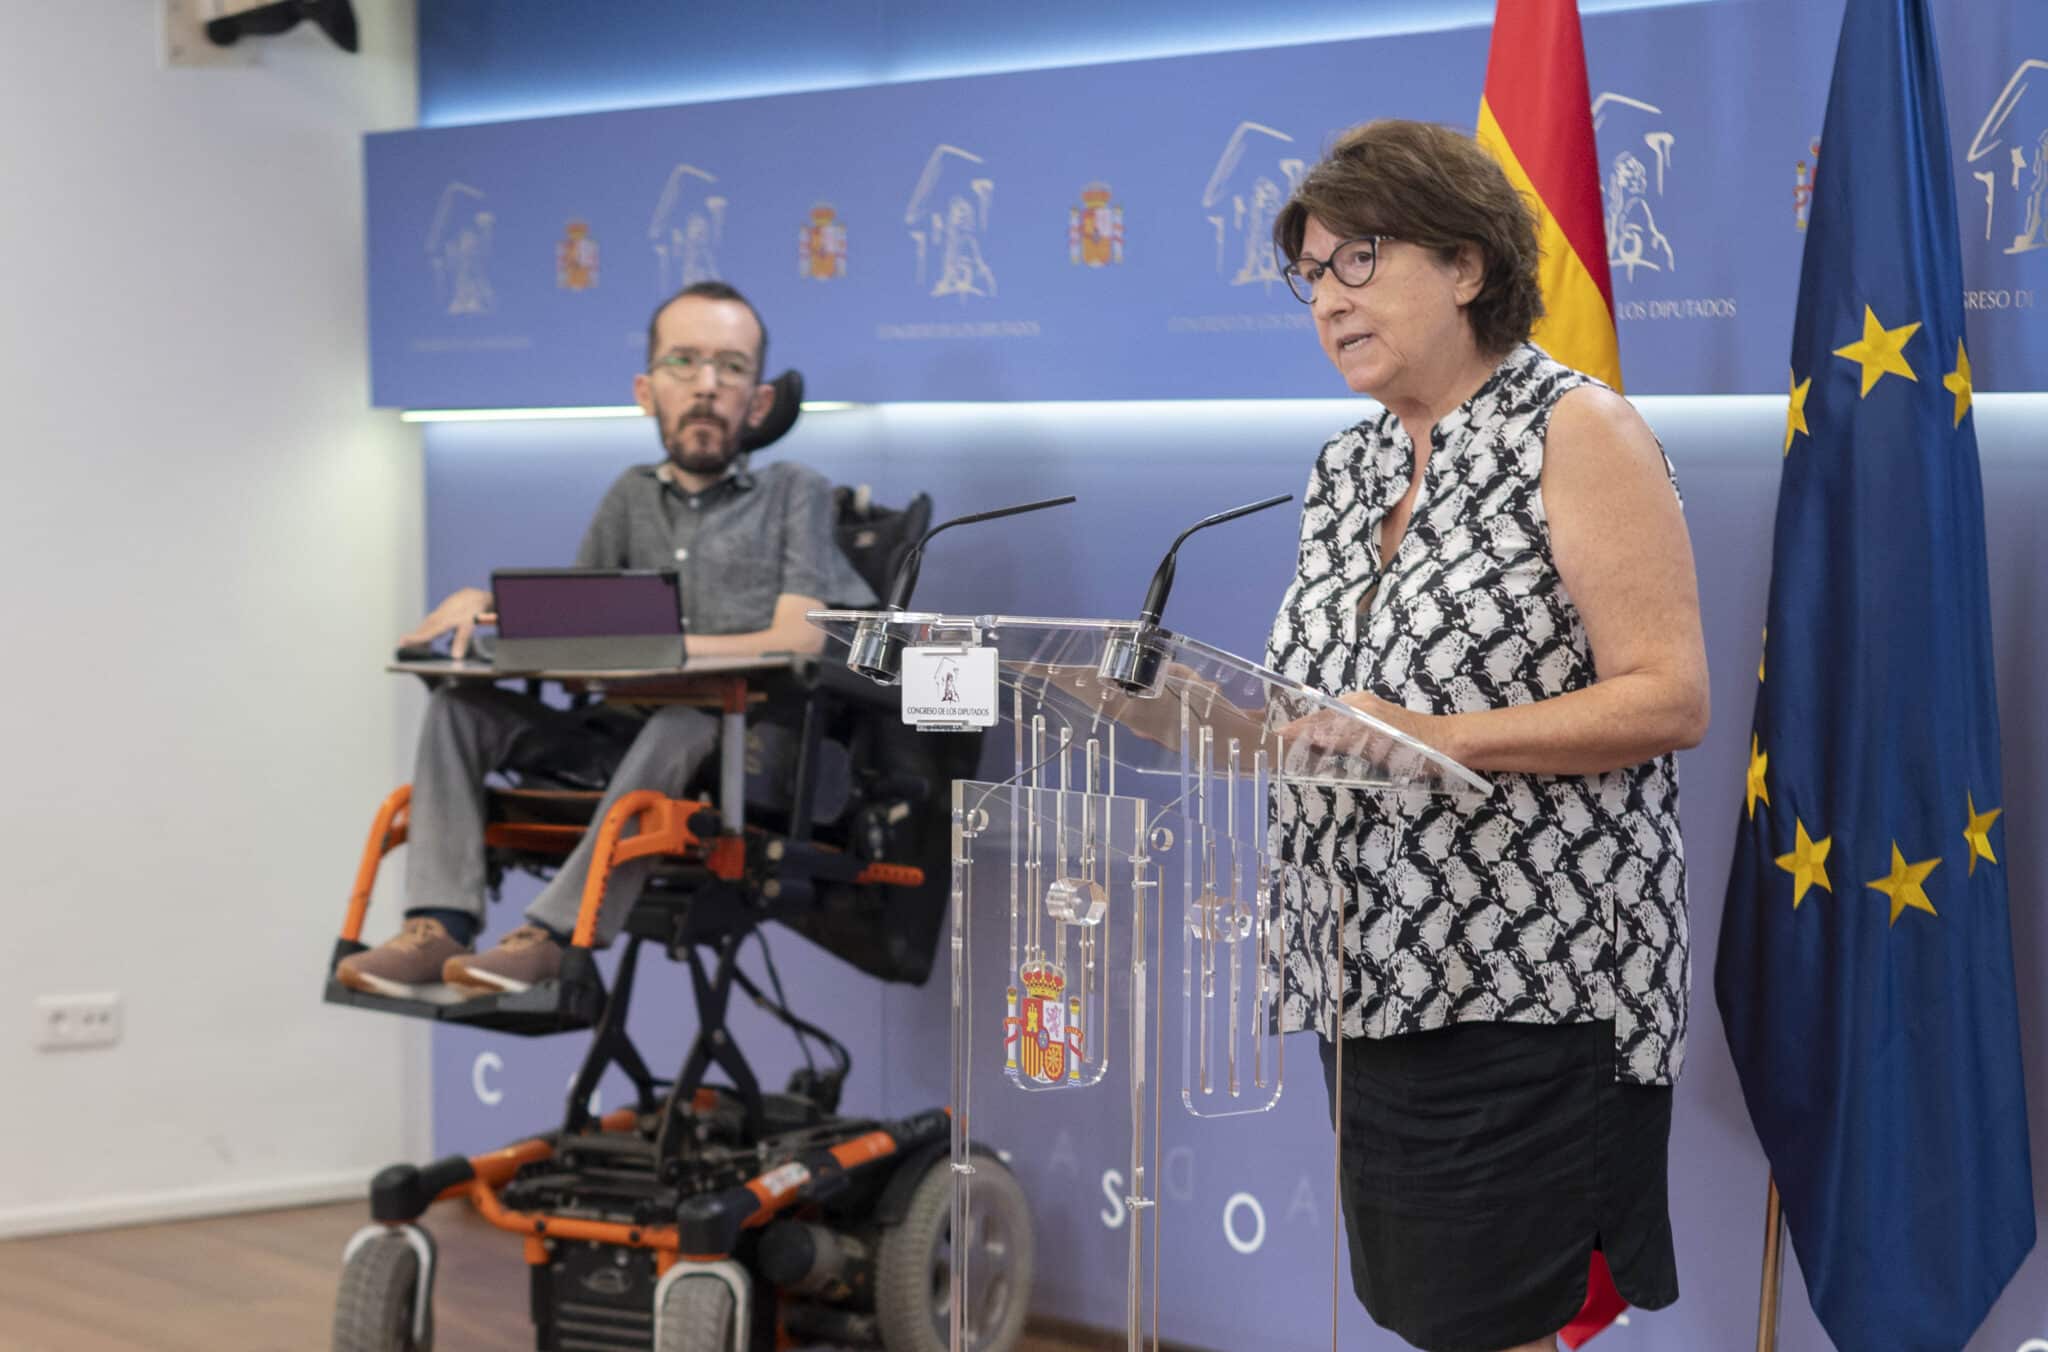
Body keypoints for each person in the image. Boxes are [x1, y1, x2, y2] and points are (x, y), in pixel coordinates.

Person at [1265, 121, 1710, 1352]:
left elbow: (1668, 695)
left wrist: (1443, 734)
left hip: (1528, 980)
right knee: (1427, 1314)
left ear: (1465, 265)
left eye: (1357, 259)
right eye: (1311, 274)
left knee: (1492, 1322)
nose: (1327, 299)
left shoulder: (1574, 430)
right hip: (1366, 973)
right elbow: (1342, 689)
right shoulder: (1345, 467)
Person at [338, 281, 875, 999]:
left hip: (747, 749)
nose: (707, 386)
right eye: (682, 363)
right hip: (621, 739)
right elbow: (578, 633)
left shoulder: (793, 491)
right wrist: (492, 610)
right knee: (459, 711)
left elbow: (798, 639)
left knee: (682, 724)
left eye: (732, 367)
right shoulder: (629, 496)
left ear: (760, 400)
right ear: (646, 390)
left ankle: (556, 938)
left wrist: (669, 649)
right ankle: (438, 924)